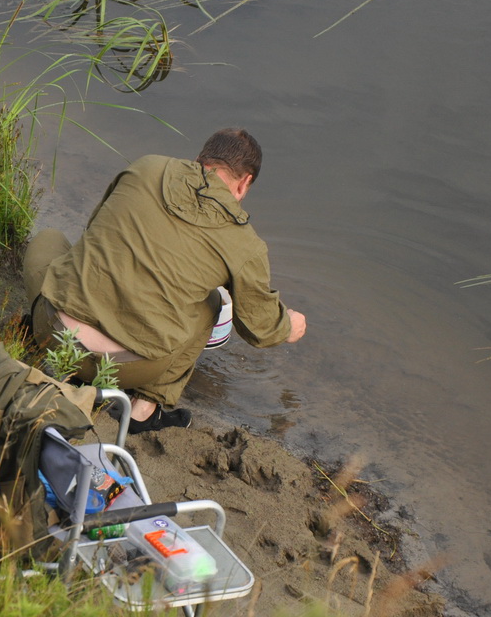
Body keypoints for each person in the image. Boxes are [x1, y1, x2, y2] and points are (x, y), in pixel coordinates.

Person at [22, 128, 307, 433]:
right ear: (245, 182)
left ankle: (44, 341)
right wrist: (289, 326)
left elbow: (95, 229)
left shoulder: (146, 167)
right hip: (125, 370)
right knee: (211, 304)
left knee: (50, 239)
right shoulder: (244, 243)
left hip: (53, 331)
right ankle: (143, 411)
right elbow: (259, 328)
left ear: (200, 158)